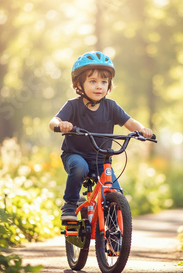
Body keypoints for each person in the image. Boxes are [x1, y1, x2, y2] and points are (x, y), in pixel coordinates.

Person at [49, 51, 153, 221]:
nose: (99, 86)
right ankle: (70, 204)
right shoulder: (72, 106)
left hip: (101, 161)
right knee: (80, 167)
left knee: (116, 194)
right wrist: (60, 125)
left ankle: (114, 231)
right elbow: (53, 121)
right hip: (75, 155)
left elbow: (130, 122)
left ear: (109, 85)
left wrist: (143, 129)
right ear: (79, 84)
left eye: (104, 82)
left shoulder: (111, 107)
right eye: (92, 81)